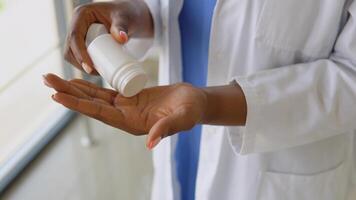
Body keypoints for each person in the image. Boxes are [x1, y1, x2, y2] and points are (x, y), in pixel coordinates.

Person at [43, 0, 356, 199]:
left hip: (270, 172)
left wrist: (211, 104)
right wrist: (130, 15)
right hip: (181, 147)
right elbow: (173, 9)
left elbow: (351, 76)